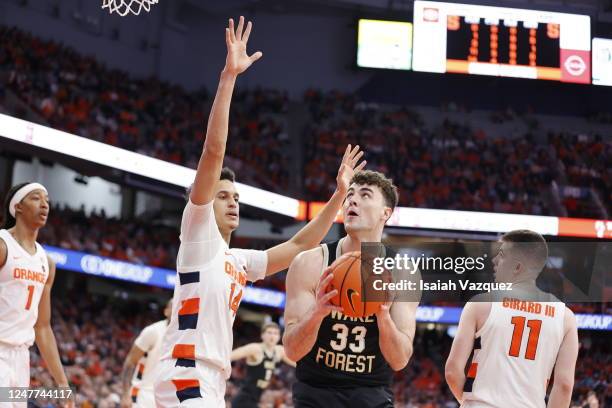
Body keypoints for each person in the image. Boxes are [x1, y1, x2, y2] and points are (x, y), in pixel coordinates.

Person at [154, 16, 365, 407]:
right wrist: (228, 78)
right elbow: (213, 153)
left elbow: (302, 241)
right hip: (186, 374)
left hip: (212, 379)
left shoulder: (239, 260)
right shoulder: (198, 234)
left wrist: (338, 196)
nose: (233, 201)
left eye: (235, 196)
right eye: (223, 196)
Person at [283, 170, 419, 407]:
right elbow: (292, 351)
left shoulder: (402, 272)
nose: (352, 200)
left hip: (372, 394)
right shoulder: (309, 263)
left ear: (385, 213)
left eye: (365, 195)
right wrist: (318, 312)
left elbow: (399, 360)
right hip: (315, 392)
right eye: (350, 195)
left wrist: (383, 316)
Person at [445, 229, 579, 408]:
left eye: (501, 256)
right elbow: (564, 386)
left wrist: (470, 402)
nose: (494, 261)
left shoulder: (481, 304)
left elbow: (452, 371)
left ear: (517, 267)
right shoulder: (566, 317)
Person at [0, 182, 73, 408]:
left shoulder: (46, 262)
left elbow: (42, 327)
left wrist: (62, 383)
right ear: (17, 207)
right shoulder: (3, 246)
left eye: (47, 200)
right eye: (35, 198)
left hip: (21, 360)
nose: (44, 205)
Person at [120, 298, 173, 407]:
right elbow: (130, 362)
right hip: (143, 394)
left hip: (167, 397)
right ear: (166, 311)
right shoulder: (153, 331)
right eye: (174, 306)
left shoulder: (184, 336)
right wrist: (125, 394)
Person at [230, 322, 295, 408]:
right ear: (262, 335)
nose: (272, 336)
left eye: (275, 333)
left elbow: (298, 364)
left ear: (279, 337)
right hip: (243, 399)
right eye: (269, 332)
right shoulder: (255, 348)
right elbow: (229, 356)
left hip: (256, 399)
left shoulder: (279, 351)